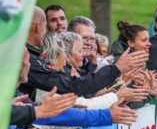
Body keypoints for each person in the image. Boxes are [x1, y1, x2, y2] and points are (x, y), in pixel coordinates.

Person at [19, 7, 148, 99]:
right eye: (84, 38)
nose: (88, 43)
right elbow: (76, 92)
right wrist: (116, 80)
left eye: (92, 38)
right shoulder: (30, 58)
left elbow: (86, 91)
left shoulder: (88, 64)